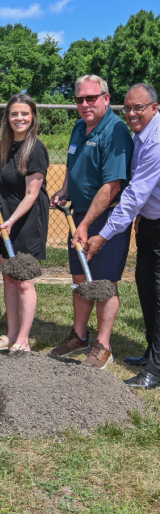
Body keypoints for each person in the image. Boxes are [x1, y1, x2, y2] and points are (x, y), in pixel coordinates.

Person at [50, 74, 133, 369]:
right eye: (80, 99)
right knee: (79, 279)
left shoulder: (116, 131)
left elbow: (112, 184)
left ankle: (103, 345)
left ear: (106, 99)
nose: (85, 104)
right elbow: (75, 169)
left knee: (104, 283)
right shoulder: (79, 127)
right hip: (78, 217)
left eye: (91, 98)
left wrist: (86, 225)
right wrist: (64, 190)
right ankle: (80, 336)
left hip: (106, 218)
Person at [85, 83, 160, 388]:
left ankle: (155, 370)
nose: (131, 113)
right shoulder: (139, 135)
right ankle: (152, 351)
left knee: (158, 293)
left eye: (138, 107)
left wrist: (102, 236)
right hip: (151, 222)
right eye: (127, 108)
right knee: (146, 284)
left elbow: (134, 194)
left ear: (155, 107)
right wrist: (143, 216)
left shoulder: (156, 140)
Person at [0, 93, 49, 353]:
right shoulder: (3, 146)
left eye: (24, 113)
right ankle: (10, 334)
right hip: (4, 219)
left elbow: (32, 194)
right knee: (8, 277)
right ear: (7, 118)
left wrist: (11, 220)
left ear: (33, 117)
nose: (19, 118)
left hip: (25, 221)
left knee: (24, 280)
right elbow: (4, 182)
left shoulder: (36, 149)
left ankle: (23, 339)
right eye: (14, 114)